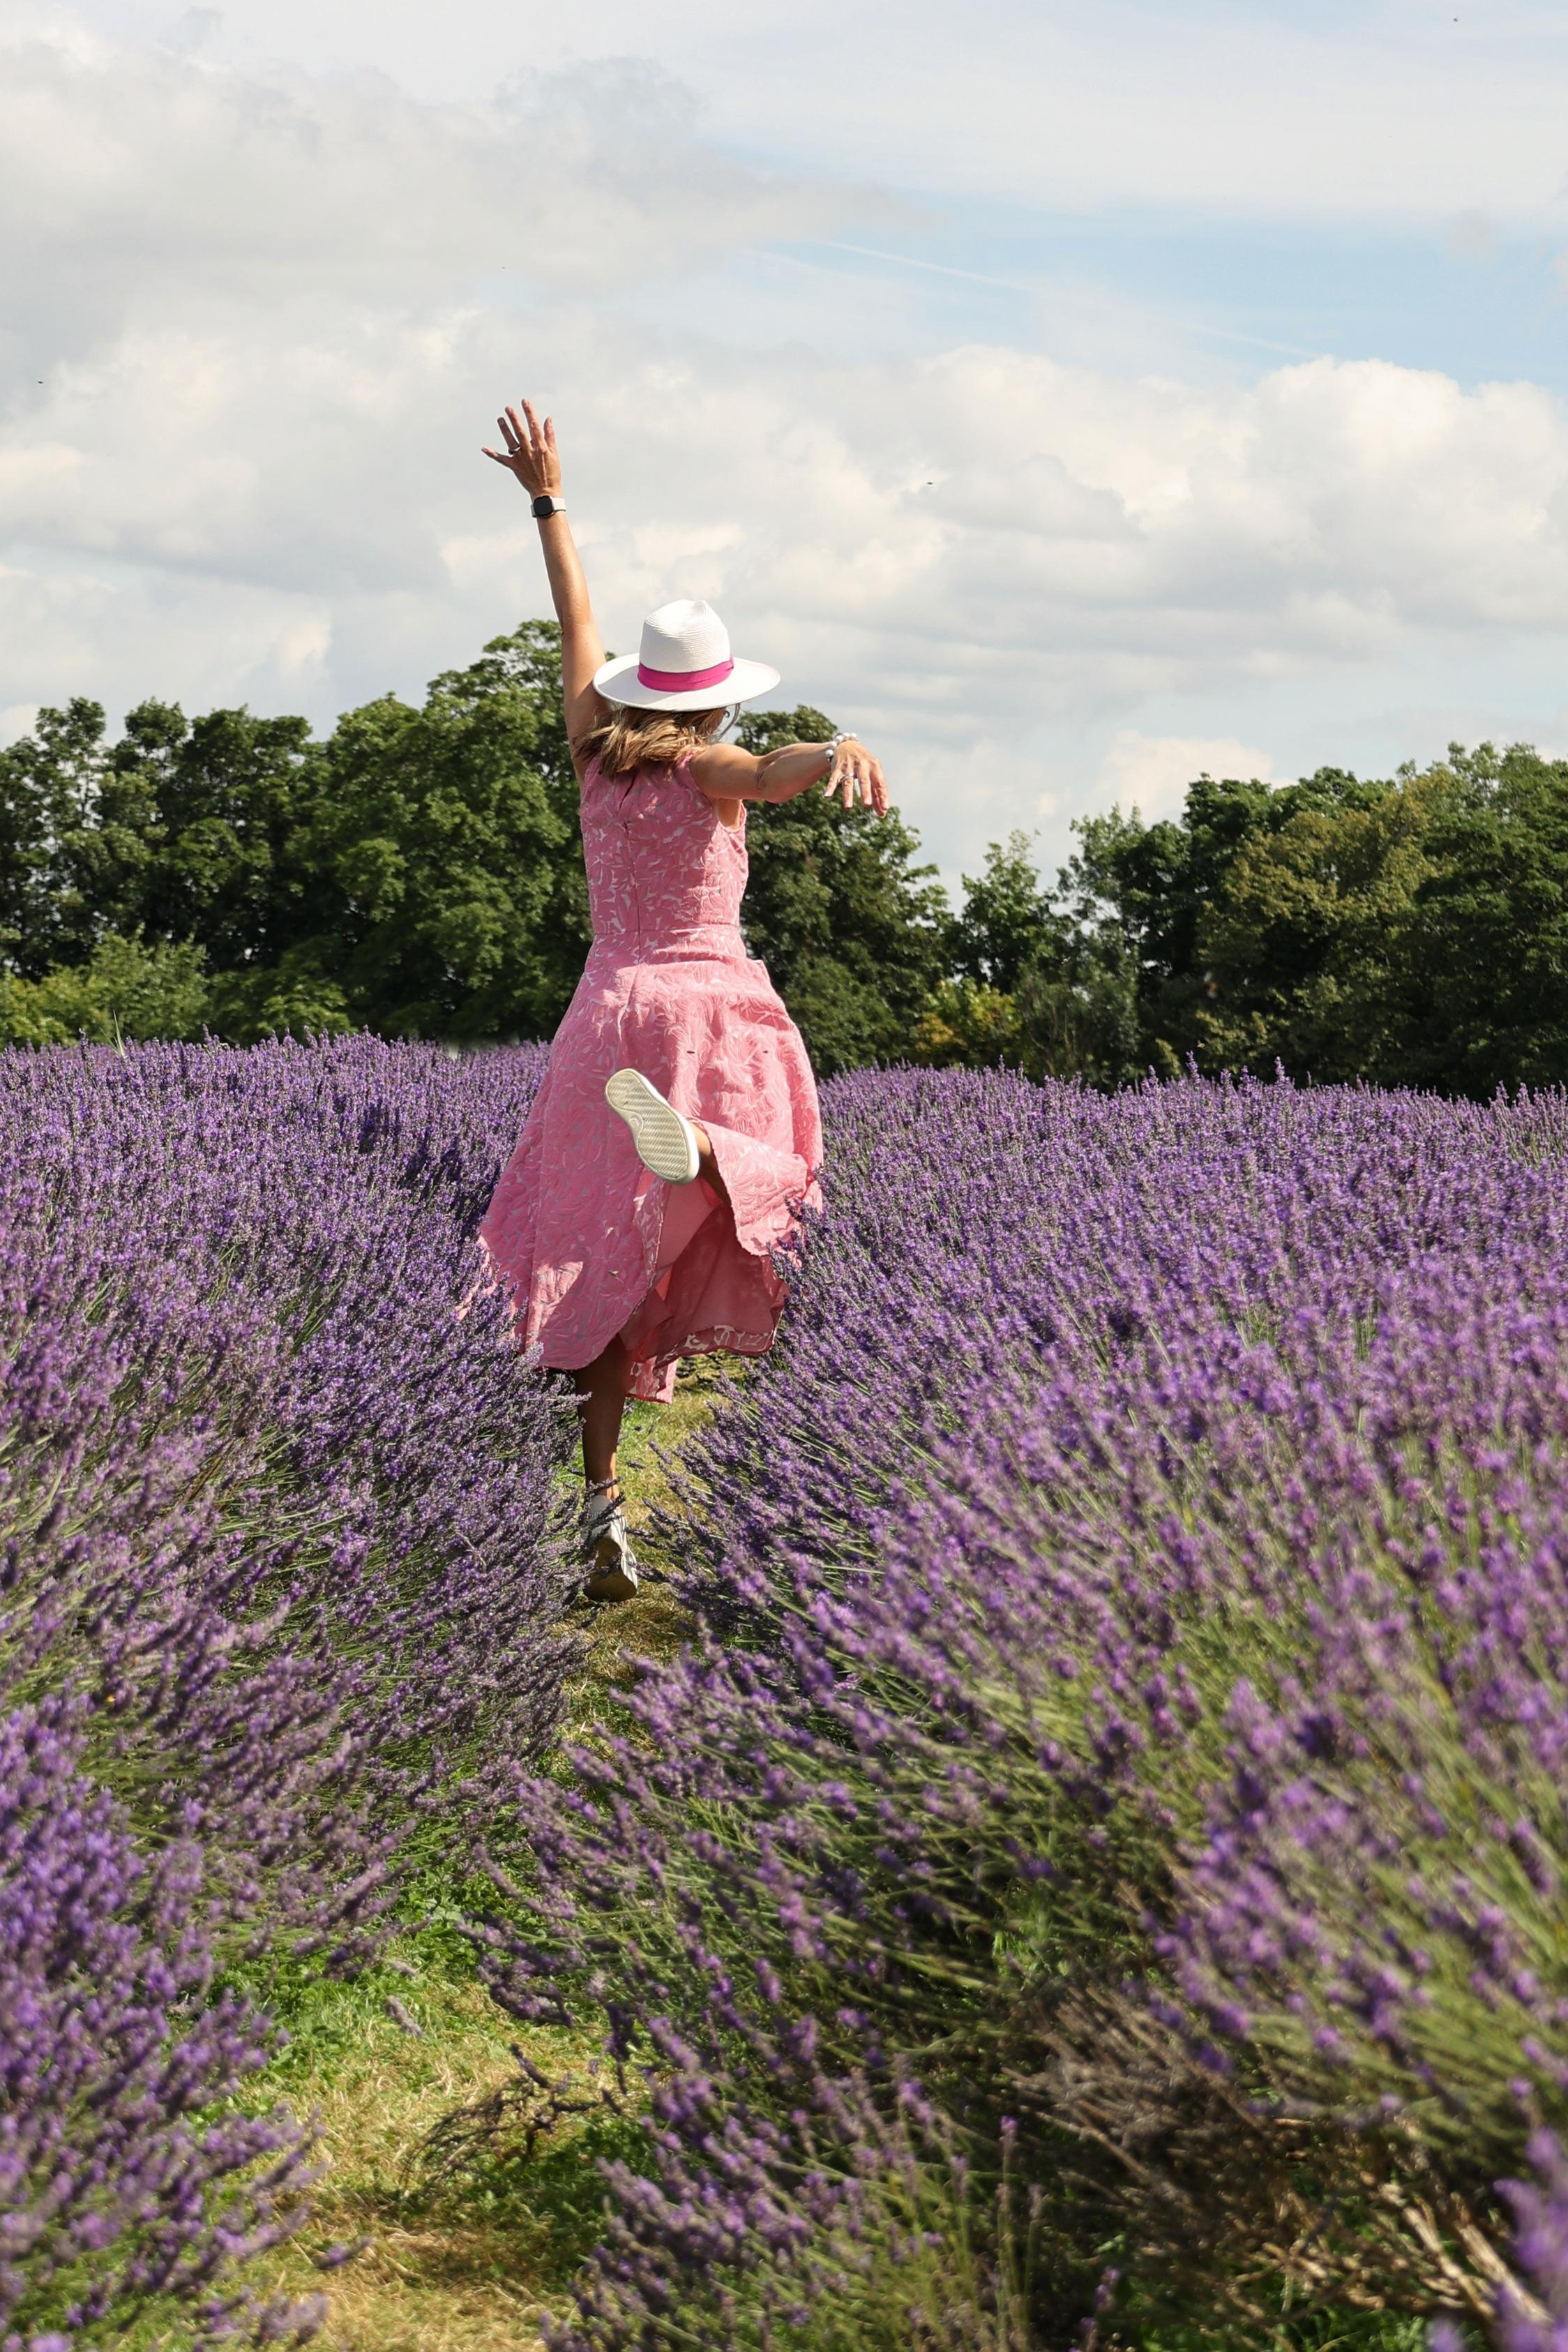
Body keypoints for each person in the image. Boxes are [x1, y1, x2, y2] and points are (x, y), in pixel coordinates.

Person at [475, 398, 890, 1601]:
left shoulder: (596, 752)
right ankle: (708, 1146)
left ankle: (601, 1512)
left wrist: (548, 499)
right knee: (789, 1183)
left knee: (604, 1253)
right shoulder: (709, 764)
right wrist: (835, 747)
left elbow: (577, 622)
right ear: (712, 698)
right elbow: (770, 774)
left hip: (606, 1016)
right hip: (710, 1006)